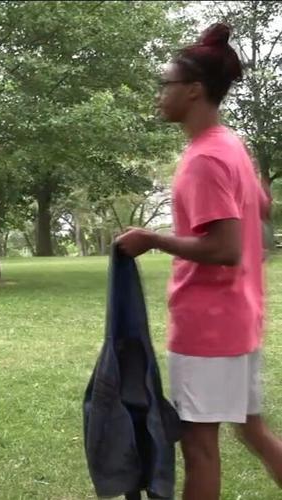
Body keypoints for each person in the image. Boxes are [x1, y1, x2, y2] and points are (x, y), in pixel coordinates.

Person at [117, 23, 282, 499]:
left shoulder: (204, 160)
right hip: (238, 319)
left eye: (165, 84)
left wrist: (152, 238)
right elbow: (262, 204)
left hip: (209, 328)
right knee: (252, 430)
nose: (158, 94)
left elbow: (226, 249)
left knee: (200, 449)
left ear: (192, 91)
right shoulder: (229, 144)